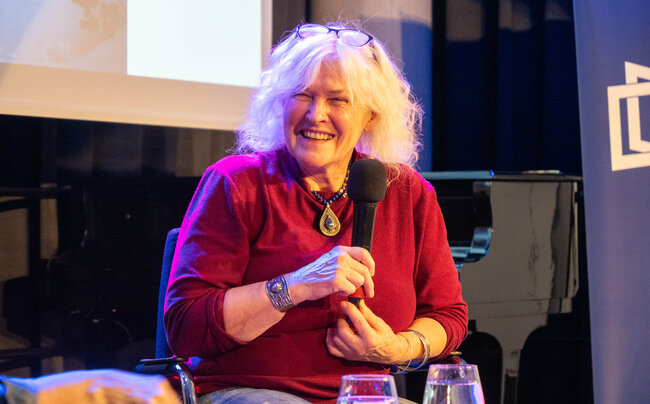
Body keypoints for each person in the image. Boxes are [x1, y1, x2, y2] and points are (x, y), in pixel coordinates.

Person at [164, 21, 468, 404]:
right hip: (249, 392)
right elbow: (185, 327)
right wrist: (295, 286)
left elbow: (447, 315)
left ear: (370, 115)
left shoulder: (408, 192)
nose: (316, 114)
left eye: (338, 100)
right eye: (302, 95)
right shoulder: (237, 183)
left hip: (366, 395)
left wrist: (396, 348)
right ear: (281, 103)